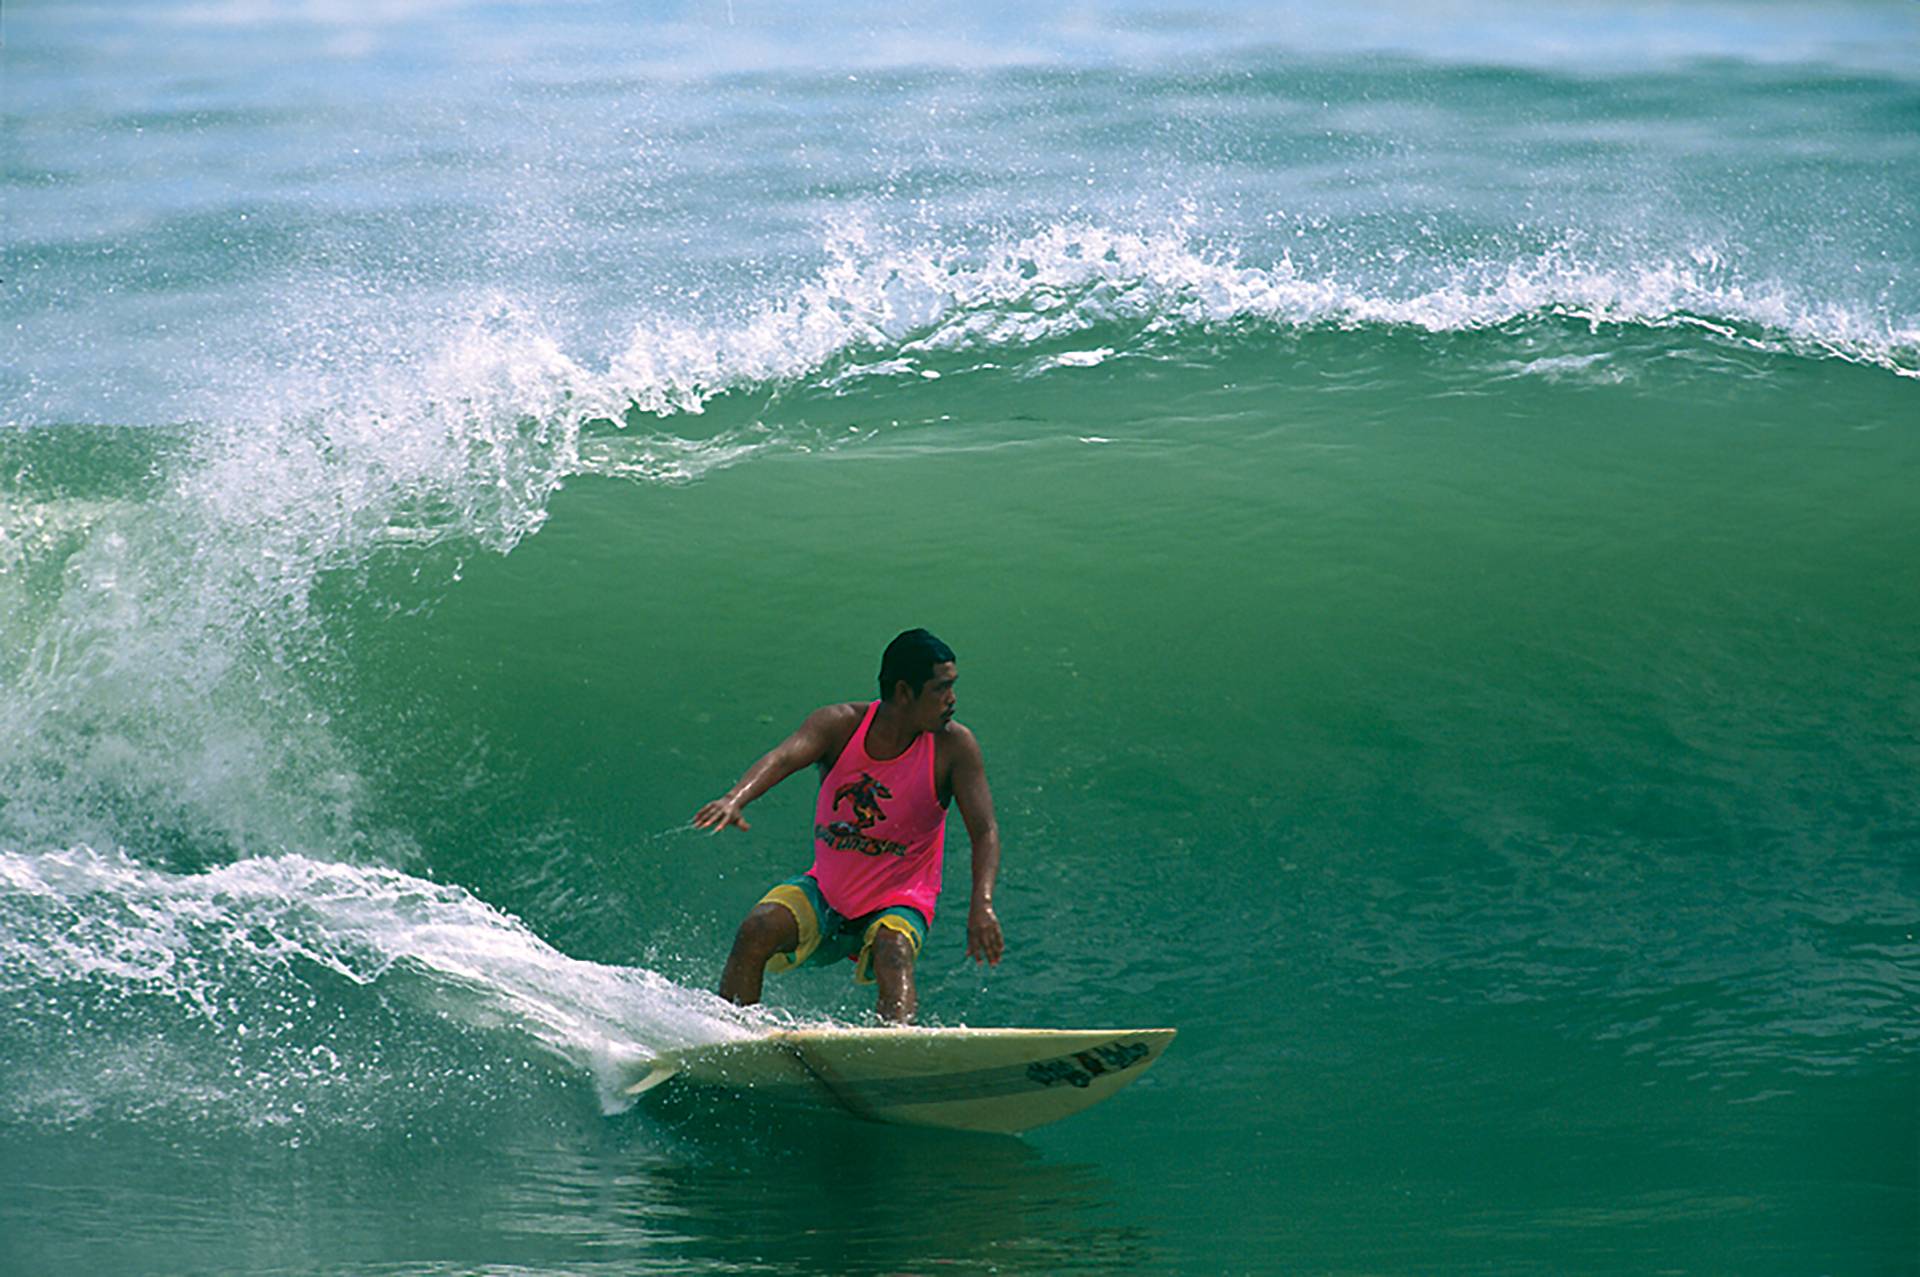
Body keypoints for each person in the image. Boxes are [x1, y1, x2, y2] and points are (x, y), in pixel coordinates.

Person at [693, 628, 1005, 1023]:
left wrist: (983, 904)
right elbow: (783, 757)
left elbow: (985, 831)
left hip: (900, 899)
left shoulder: (954, 748)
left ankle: (893, 1051)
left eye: (952, 687)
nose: (952, 699)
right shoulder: (839, 726)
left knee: (894, 951)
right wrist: (734, 798)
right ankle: (734, 1037)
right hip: (828, 889)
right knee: (756, 929)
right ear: (905, 692)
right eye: (940, 689)